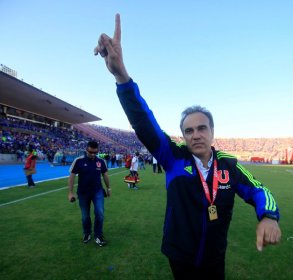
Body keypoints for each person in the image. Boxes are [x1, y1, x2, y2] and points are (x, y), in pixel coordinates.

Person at [95, 14, 281, 279]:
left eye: (202, 128)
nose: (195, 135)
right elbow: (144, 122)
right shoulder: (174, 158)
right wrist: (122, 77)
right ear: (182, 135)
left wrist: (269, 216)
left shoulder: (229, 165)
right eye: (188, 130)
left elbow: (259, 190)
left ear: (212, 132)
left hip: (215, 256)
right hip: (179, 255)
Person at [68, 141, 111, 247]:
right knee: (85, 216)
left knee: (100, 214)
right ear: (86, 149)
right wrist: (70, 192)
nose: (93, 154)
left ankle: (98, 235)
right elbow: (72, 176)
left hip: (98, 191)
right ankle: (87, 233)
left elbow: (105, 175)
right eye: (91, 152)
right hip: (83, 193)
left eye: (95, 152)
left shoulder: (101, 161)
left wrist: (108, 188)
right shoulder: (78, 161)